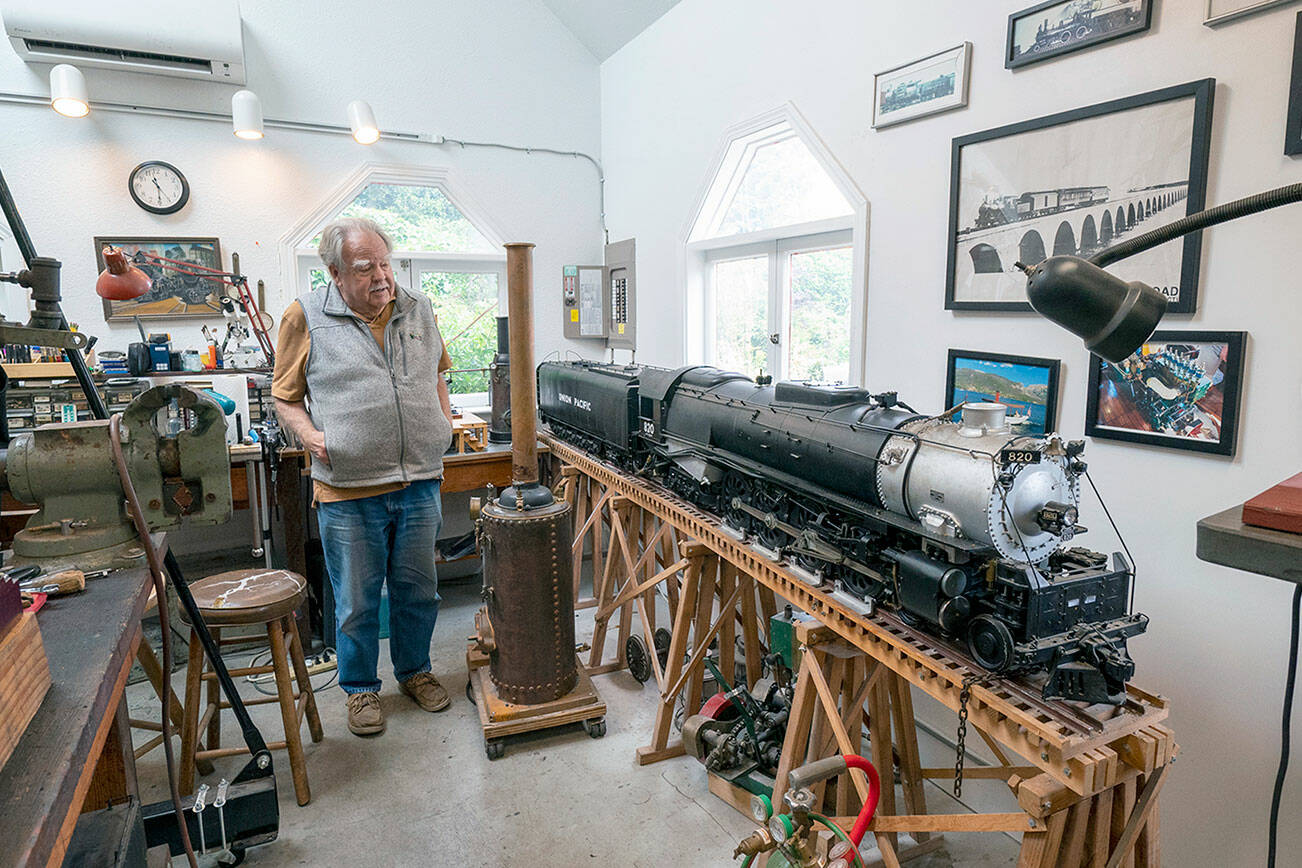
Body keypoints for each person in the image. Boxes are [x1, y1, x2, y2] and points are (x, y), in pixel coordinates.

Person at [272, 216, 455, 736]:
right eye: (364, 267)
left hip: (419, 479)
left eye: (384, 263)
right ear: (333, 271)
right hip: (347, 490)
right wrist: (312, 439)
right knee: (356, 600)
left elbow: (440, 371)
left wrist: (442, 425)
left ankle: (415, 672)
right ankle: (359, 690)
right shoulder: (304, 316)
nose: (381, 277)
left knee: (419, 591)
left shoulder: (418, 308)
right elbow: (285, 396)